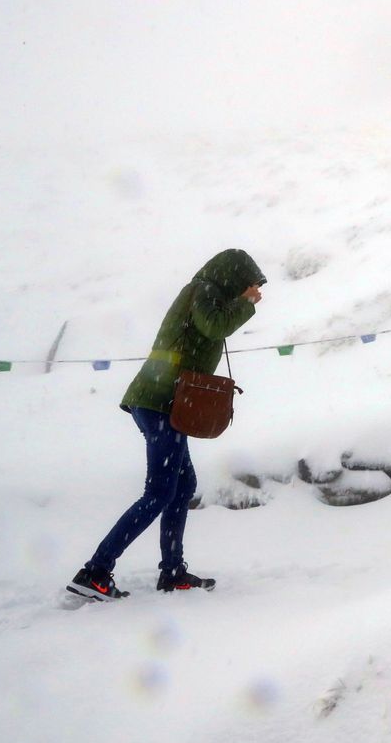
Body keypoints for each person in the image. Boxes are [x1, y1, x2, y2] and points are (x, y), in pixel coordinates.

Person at [66, 249, 265, 601]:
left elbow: (210, 328)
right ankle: (95, 571)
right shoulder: (203, 290)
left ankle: (172, 572)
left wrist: (240, 303)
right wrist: (247, 304)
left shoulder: (209, 294)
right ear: (232, 278)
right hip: (158, 402)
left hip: (165, 403)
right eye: (248, 284)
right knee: (159, 491)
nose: (251, 290)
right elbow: (214, 325)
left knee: (183, 483)